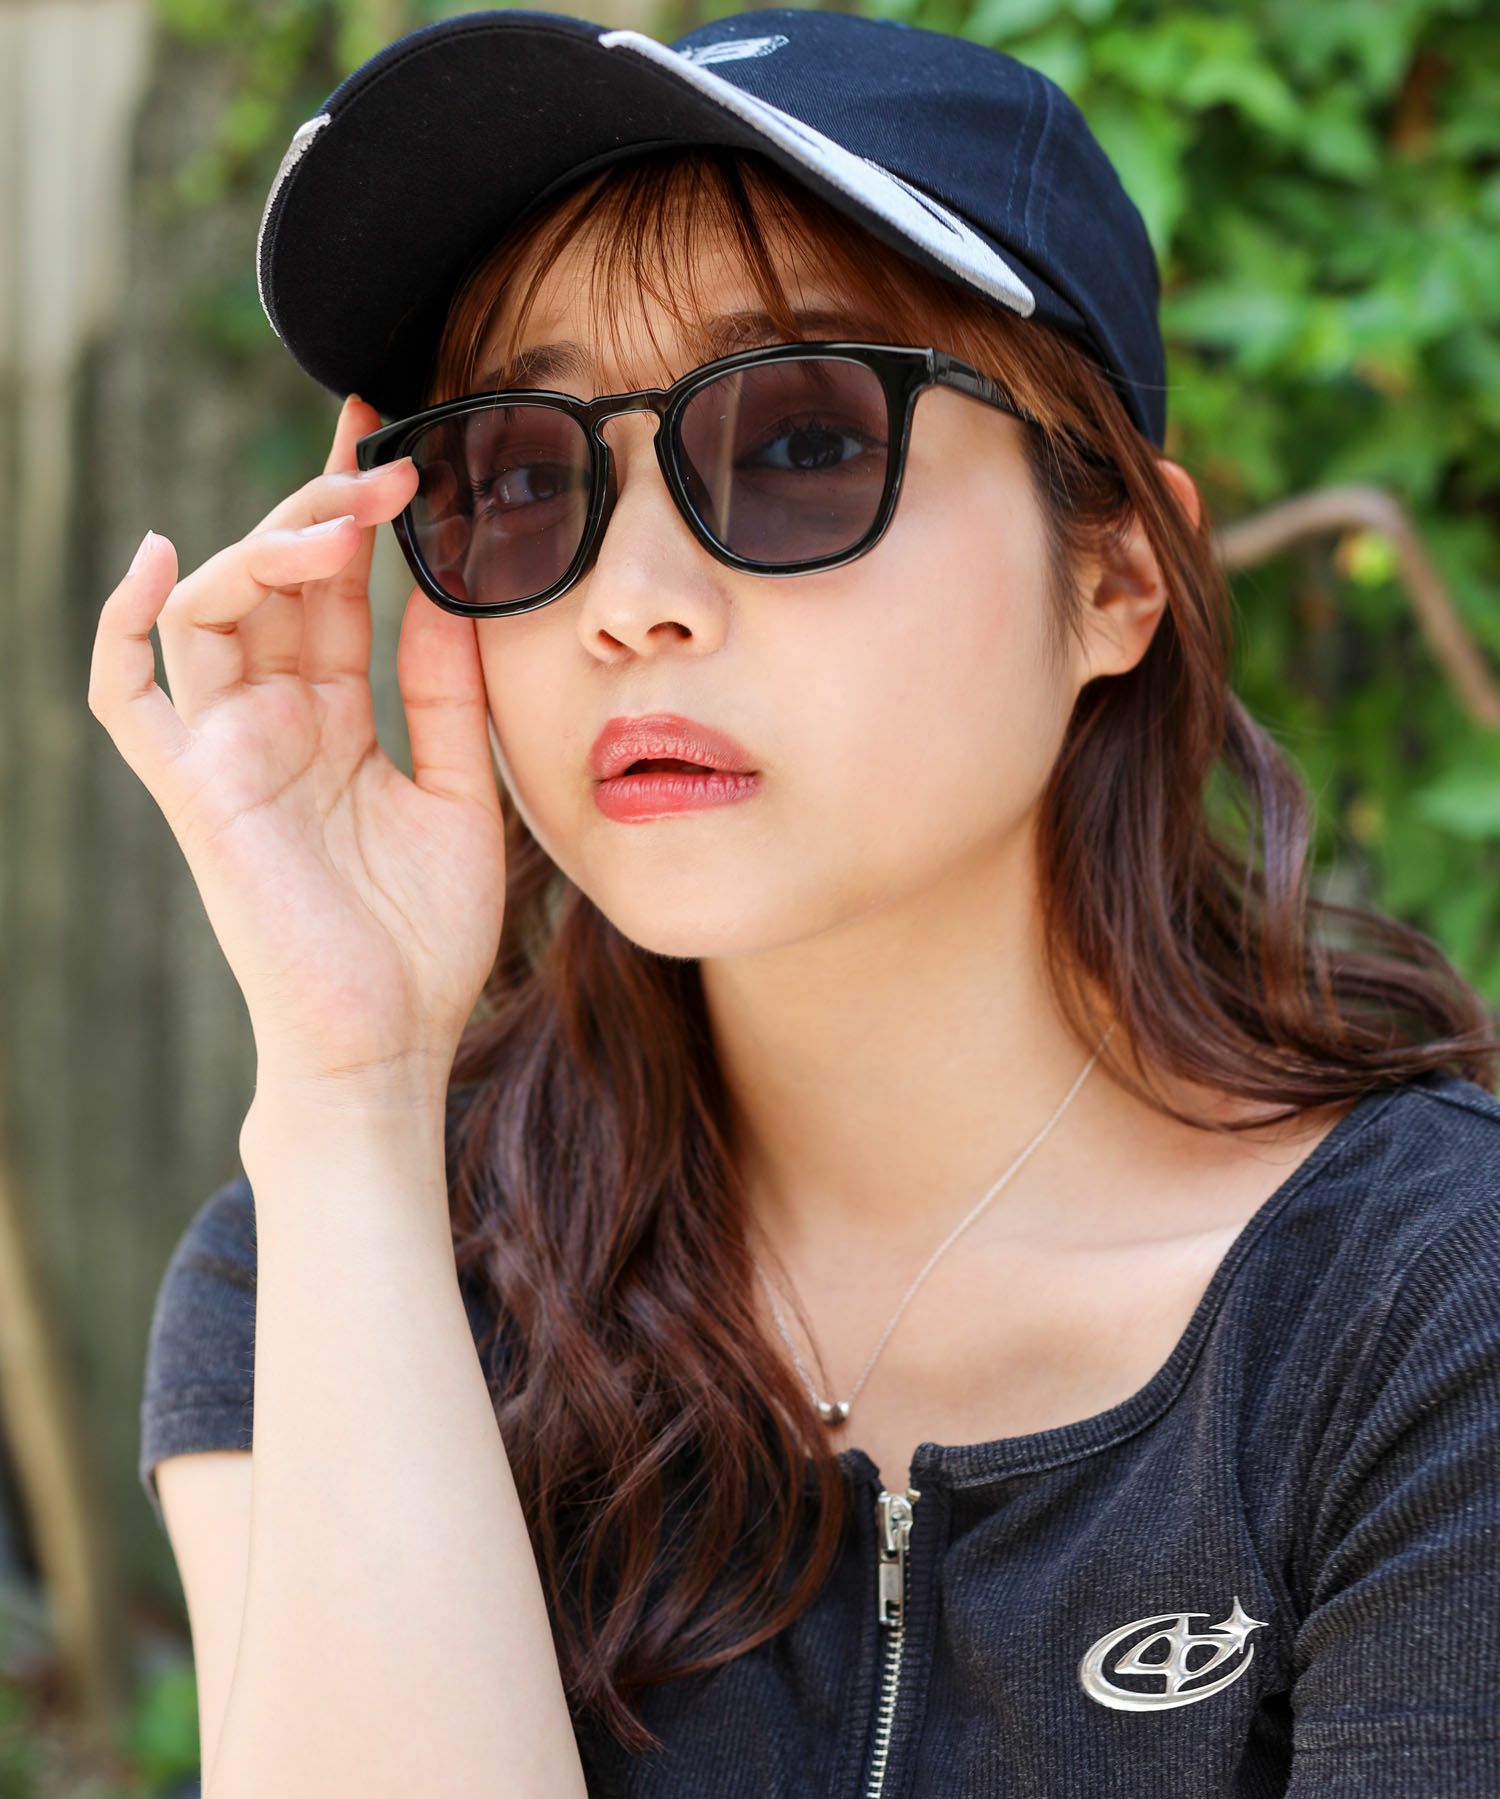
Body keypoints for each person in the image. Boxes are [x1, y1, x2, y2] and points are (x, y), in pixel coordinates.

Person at [94, 8, 1500, 1795]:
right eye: (525, 476)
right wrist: (349, 1093)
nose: (630, 600)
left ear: (1118, 571)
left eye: (801, 443)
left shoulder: (1429, 1316)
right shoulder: (330, 1262)